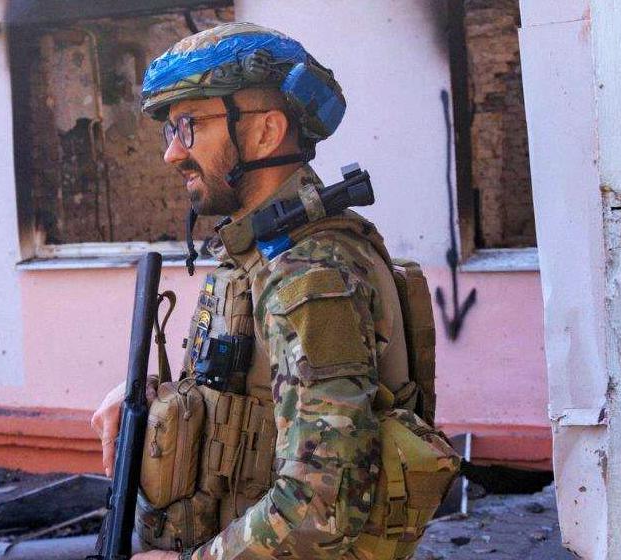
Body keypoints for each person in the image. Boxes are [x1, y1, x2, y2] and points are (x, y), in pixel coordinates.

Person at [91, 22, 412, 560]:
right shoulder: (260, 256)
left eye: (188, 126)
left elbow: (324, 505)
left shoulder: (311, 276)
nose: (172, 154)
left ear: (265, 132)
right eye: (169, 131)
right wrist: (145, 398)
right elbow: (253, 399)